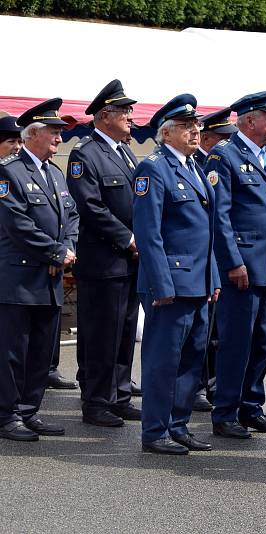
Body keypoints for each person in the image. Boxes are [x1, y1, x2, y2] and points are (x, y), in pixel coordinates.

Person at [134, 94, 220, 455]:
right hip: (171, 282)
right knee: (162, 360)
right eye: (186, 126)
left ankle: (179, 424)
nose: (195, 131)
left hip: (198, 282)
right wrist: (160, 283)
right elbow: (149, 233)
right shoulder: (154, 168)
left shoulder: (194, 166)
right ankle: (155, 431)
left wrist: (213, 278)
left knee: (191, 359)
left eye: (196, 125)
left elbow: (208, 230)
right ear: (166, 132)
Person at [205, 91, 266, 439]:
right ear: (250, 120)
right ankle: (225, 412)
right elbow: (218, 216)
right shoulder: (224, 156)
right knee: (236, 341)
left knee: (263, 342)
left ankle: (251, 406)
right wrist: (232, 262)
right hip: (242, 267)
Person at [0, 98, 79, 441]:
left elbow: (71, 215)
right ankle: (6, 414)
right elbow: (17, 223)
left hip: (50, 278)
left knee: (42, 351)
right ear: (33, 134)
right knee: (13, 352)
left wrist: (68, 249)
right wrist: (55, 252)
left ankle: (29, 410)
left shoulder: (54, 173)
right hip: (19, 278)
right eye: (54, 132)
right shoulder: (8, 171)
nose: (59, 139)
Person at [66, 79, 141, 427]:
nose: (130, 116)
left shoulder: (125, 151)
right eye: (124, 111)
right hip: (104, 260)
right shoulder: (85, 154)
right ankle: (96, 401)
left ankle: (119, 394)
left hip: (129, 261)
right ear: (104, 115)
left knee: (125, 331)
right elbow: (92, 207)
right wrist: (127, 238)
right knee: (100, 333)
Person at [192, 107, 237, 412]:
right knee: (200, 333)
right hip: (203, 261)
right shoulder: (200, 165)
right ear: (207, 138)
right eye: (222, 138)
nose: (226, 143)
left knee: (215, 333)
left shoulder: (207, 164)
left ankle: (211, 382)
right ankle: (197, 385)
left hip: (216, 261)